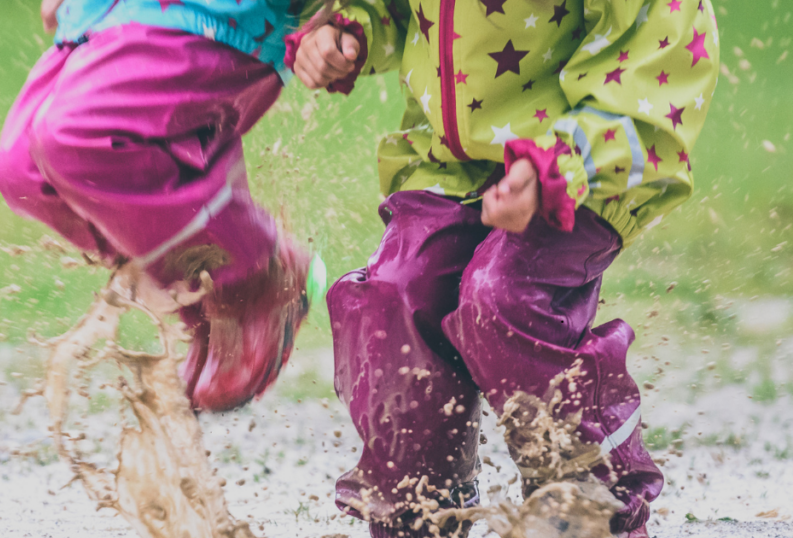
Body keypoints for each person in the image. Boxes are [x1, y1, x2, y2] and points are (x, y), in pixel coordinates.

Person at [289, 0, 720, 536]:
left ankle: (587, 493)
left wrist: (562, 163)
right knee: (391, 297)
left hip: (582, 161)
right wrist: (350, 27)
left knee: (502, 295)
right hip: (448, 163)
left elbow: (658, 48)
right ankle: (421, 504)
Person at [0, 0, 322, 412]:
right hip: (100, 14)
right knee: (21, 172)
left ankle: (254, 272)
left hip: (207, 16)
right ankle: (200, 291)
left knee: (74, 137)